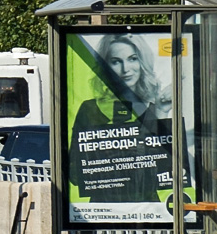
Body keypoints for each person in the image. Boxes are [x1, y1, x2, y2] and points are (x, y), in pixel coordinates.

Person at [68, 33, 172, 204]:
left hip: (149, 215)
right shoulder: (89, 110)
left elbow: (169, 170)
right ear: (105, 66)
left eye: (132, 59)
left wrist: (161, 114)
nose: (126, 69)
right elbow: (75, 175)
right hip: (104, 215)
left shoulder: (155, 108)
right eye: (116, 61)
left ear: (142, 62)